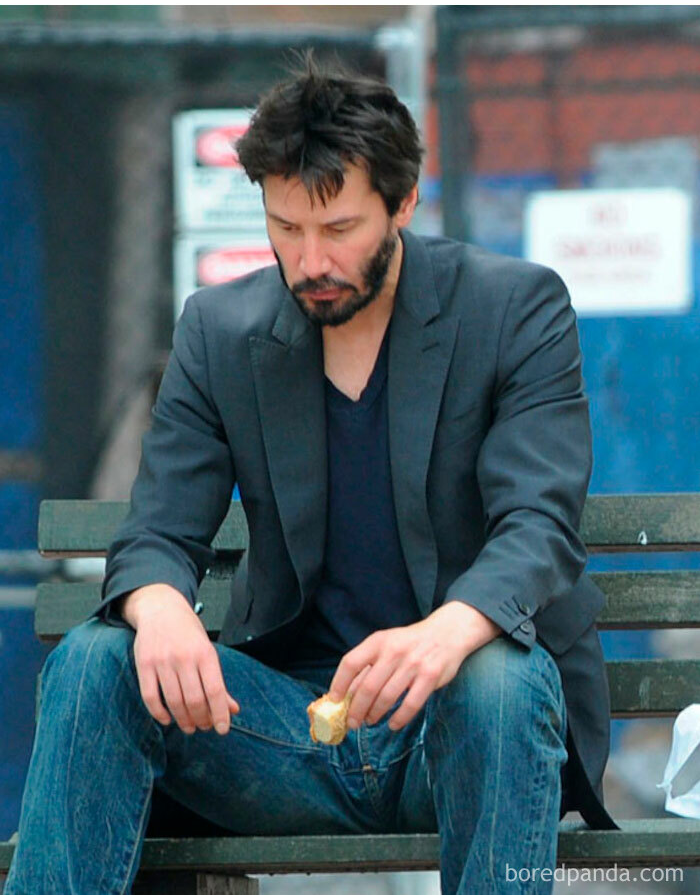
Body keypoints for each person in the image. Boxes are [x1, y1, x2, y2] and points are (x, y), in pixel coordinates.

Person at [5, 55, 615, 895]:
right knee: (95, 659)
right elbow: (157, 530)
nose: (310, 260)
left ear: (404, 202)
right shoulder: (220, 330)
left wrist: (445, 633)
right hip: (283, 733)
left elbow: (540, 524)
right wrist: (158, 606)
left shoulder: (514, 309)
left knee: (500, 676)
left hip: (459, 727)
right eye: (285, 228)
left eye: (339, 228)